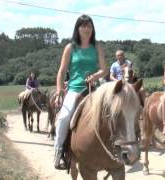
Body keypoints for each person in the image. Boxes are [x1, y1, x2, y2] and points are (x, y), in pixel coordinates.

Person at [53, 14, 106, 170]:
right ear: (78, 28)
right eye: (83, 26)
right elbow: (61, 72)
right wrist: (58, 90)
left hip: (93, 88)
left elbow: (104, 69)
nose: (87, 29)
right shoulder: (70, 48)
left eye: (89, 26)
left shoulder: (97, 46)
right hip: (75, 88)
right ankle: (59, 152)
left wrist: (95, 76)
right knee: (63, 118)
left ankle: (115, 147)